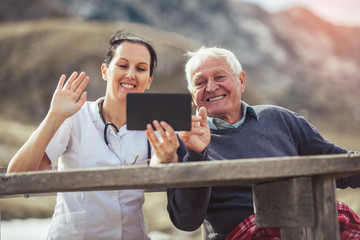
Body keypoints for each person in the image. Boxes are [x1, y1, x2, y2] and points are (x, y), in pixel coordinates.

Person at [147, 46, 360, 240]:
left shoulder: (279, 118)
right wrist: (196, 153)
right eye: (200, 82)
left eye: (220, 76)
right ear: (192, 95)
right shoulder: (181, 140)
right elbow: (186, 221)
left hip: (308, 228)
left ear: (241, 81)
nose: (211, 87)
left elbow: (339, 163)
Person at [7, 31, 174, 240]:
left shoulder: (154, 125)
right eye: (122, 65)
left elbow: (163, 171)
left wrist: (168, 156)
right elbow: (17, 177)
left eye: (140, 69)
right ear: (105, 71)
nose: (131, 74)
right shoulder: (74, 116)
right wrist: (53, 116)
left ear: (149, 80)